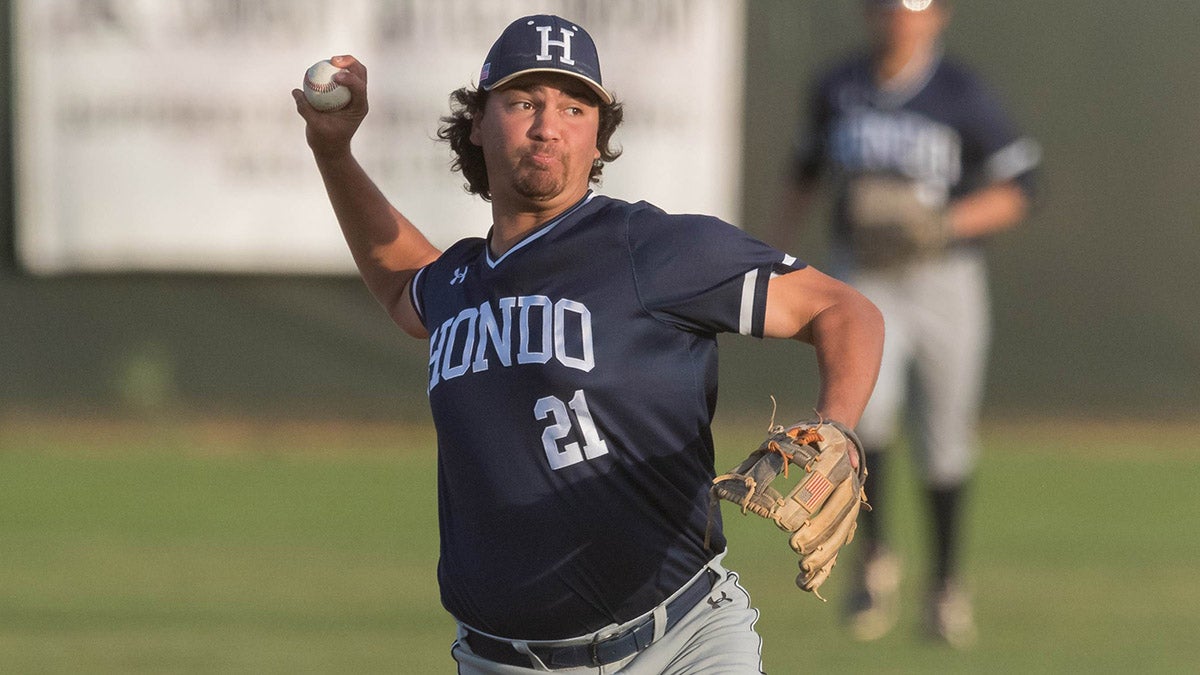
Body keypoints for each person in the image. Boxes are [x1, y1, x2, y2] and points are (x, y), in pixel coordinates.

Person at [294, 14, 883, 673]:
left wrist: (839, 427)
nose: (549, 125)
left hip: (679, 645)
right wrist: (334, 154)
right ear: (479, 123)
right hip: (500, 661)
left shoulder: (652, 250)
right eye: (523, 102)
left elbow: (843, 308)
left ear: (598, 136)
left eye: (574, 107)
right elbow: (404, 286)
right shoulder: (459, 279)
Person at [766, 0, 1040, 649]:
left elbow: (1024, 184)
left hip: (944, 278)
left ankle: (945, 584)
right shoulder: (839, 86)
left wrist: (945, 223)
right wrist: (775, 257)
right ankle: (876, 557)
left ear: (939, 16)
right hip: (862, 275)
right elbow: (801, 175)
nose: (902, 18)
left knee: (945, 436)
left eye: (916, 7)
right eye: (889, 6)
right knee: (866, 416)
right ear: (870, 14)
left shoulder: (961, 93)